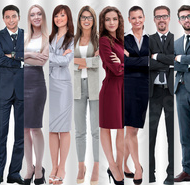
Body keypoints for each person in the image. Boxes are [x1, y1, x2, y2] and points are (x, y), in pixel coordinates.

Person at [71, 5, 102, 185]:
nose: (86, 20)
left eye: (89, 17)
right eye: (83, 17)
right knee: (80, 131)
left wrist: (79, 62)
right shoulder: (73, 39)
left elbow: (99, 63)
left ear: (94, 20)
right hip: (77, 87)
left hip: (95, 86)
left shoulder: (99, 39)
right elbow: (68, 62)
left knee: (95, 130)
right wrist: (88, 62)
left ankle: (96, 166)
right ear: (79, 20)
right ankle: (81, 165)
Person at [172, 5, 190, 182]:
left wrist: (181, 59)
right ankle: (187, 170)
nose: (186, 19)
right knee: (185, 134)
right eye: (183, 17)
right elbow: (171, 64)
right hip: (180, 90)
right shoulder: (176, 43)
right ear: (179, 21)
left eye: (189, 16)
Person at [46, 5, 75, 185]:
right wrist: (51, 55)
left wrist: (47, 55)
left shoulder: (72, 38)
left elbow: (65, 62)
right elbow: (43, 58)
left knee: (63, 128)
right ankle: (53, 166)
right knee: (51, 128)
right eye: (56, 15)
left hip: (63, 85)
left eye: (62, 15)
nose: (59, 18)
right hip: (48, 84)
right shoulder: (49, 37)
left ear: (68, 17)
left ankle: (62, 167)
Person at [0, 4, 26, 184]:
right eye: (7, 17)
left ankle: (14, 172)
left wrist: (12, 55)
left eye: (13, 16)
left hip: (23, 89)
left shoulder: (26, 35)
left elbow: (30, 55)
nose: (11, 20)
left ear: (19, 17)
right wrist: (19, 58)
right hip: (4, 89)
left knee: (20, 134)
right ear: (3, 19)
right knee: (2, 133)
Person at [147, 5, 175, 184]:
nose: (161, 19)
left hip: (171, 92)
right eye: (158, 17)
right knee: (151, 134)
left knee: (171, 135)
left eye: (164, 16)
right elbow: (146, 63)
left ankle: (171, 174)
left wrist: (157, 57)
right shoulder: (148, 40)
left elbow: (178, 61)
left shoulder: (177, 39)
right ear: (154, 20)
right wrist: (168, 63)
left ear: (169, 18)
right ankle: (150, 173)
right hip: (154, 92)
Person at [97, 6, 126, 185]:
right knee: (107, 127)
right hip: (111, 88)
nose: (111, 22)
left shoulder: (122, 40)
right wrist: (128, 65)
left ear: (119, 21)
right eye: (108, 19)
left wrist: (126, 64)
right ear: (103, 22)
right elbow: (115, 69)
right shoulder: (104, 41)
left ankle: (119, 165)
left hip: (125, 88)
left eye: (114, 19)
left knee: (123, 128)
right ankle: (112, 166)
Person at [21, 4, 49, 184]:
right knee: (23, 129)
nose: (36, 17)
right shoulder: (23, 37)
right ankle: (28, 167)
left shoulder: (48, 38)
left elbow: (41, 62)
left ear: (43, 17)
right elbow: (12, 56)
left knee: (36, 128)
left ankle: (39, 167)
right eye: (33, 14)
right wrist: (31, 53)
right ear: (29, 18)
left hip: (37, 83)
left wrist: (23, 55)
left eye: (39, 14)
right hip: (21, 82)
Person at [121, 6, 148, 185]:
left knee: (135, 129)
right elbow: (123, 62)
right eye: (133, 18)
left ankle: (122, 164)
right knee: (131, 129)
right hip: (129, 85)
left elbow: (153, 62)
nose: (137, 20)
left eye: (140, 17)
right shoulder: (123, 39)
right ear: (129, 20)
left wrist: (133, 60)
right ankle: (138, 166)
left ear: (144, 18)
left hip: (144, 86)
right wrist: (144, 60)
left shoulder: (150, 39)